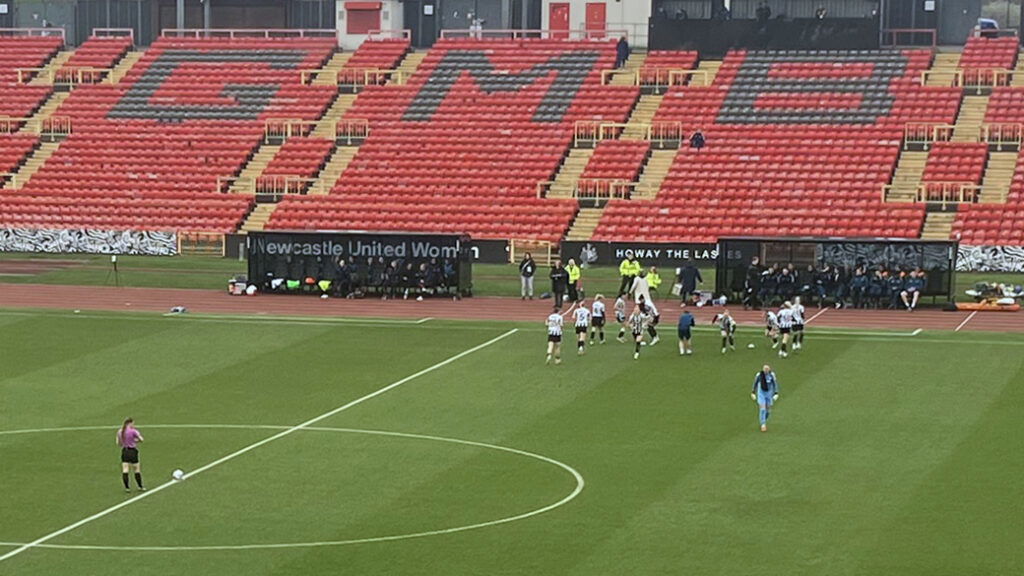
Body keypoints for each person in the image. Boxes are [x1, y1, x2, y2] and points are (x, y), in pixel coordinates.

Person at [117, 418, 145, 493]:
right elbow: (141, 439)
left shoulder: (120, 431)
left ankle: (127, 488)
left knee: (125, 469)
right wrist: (135, 440)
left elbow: (119, 443)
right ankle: (140, 486)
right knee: (136, 469)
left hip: (125, 451)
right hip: (132, 451)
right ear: (130, 423)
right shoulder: (133, 431)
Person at [750, 365, 780, 432]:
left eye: (767, 369)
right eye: (765, 369)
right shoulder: (759, 375)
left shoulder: (772, 375)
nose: (766, 371)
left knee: (768, 411)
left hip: (769, 393)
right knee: (763, 409)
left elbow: (775, 383)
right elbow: (755, 383)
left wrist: (776, 392)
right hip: (761, 393)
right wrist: (753, 392)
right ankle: (763, 424)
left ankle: (763, 419)